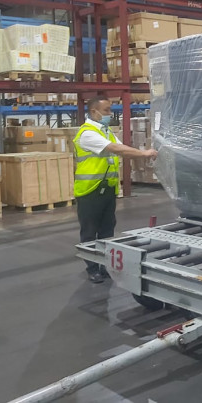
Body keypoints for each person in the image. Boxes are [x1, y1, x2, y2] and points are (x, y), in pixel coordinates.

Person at [73, 96, 157, 283]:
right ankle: (92, 268)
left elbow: (121, 147)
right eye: (106, 110)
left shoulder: (106, 131)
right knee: (89, 232)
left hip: (108, 190)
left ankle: (104, 265)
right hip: (90, 190)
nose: (110, 114)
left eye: (110, 110)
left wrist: (142, 154)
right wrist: (143, 153)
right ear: (94, 112)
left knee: (107, 230)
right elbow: (116, 149)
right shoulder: (87, 133)